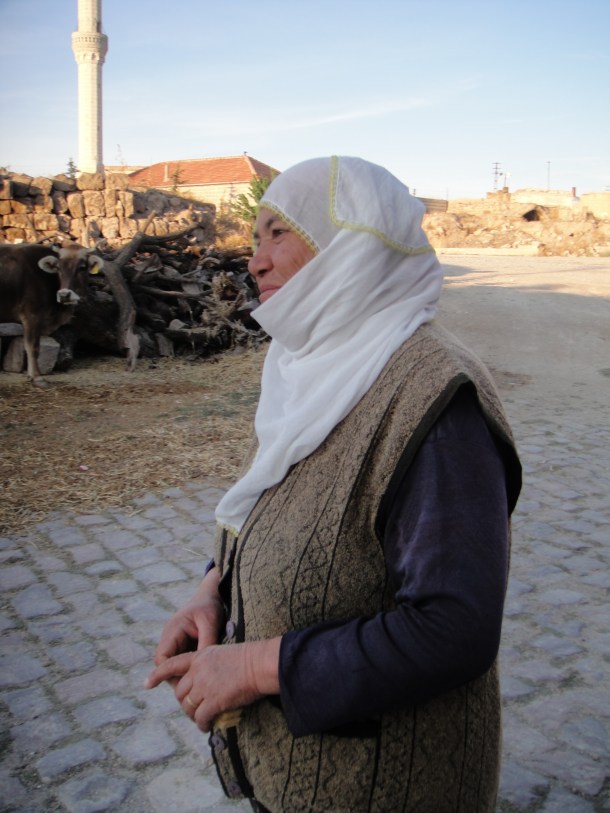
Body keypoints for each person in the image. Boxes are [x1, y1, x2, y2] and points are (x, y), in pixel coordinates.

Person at [146, 156, 522, 812]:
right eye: (254, 237)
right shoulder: (312, 366)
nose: (254, 261)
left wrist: (254, 666)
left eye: (278, 234)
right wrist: (215, 590)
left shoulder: (435, 400)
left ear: (347, 247)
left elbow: (453, 628)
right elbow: (280, 503)